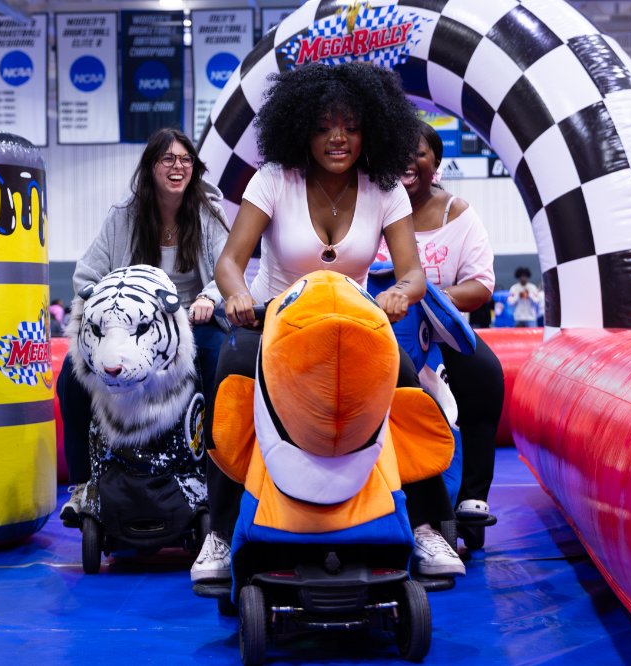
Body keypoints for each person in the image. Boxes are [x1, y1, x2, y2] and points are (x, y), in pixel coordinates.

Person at [195, 62, 464, 582]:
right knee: (229, 379)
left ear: (372, 129)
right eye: (323, 126)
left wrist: (399, 294)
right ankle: (221, 533)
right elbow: (230, 262)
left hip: (356, 326)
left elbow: (412, 273)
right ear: (301, 130)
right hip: (275, 323)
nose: (337, 138)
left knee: (411, 390)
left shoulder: (386, 190)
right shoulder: (274, 180)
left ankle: (430, 524)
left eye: (350, 126)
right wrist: (235, 297)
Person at [57, 128, 231, 524]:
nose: (177, 167)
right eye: (167, 159)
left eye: (185, 160)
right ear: (151, 167)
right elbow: (85, 274)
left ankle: (218, 479)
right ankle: (85, 485)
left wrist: (207, 299)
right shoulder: (123, 216)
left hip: (189, 320)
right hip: (127, 329)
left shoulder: (209, 214)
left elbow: (226, 270)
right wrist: (106, 302)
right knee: (69, 376)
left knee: (220, 359)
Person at [379, 120, 505, 534]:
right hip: (383, 333)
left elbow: (482, 283)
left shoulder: (458, 213)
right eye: (398, 153)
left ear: (436, 161)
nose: (407, 162)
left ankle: (471, 494)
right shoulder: (374, 206)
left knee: (484, 373)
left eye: (418, 153)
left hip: (440, 330)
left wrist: (432, 301)